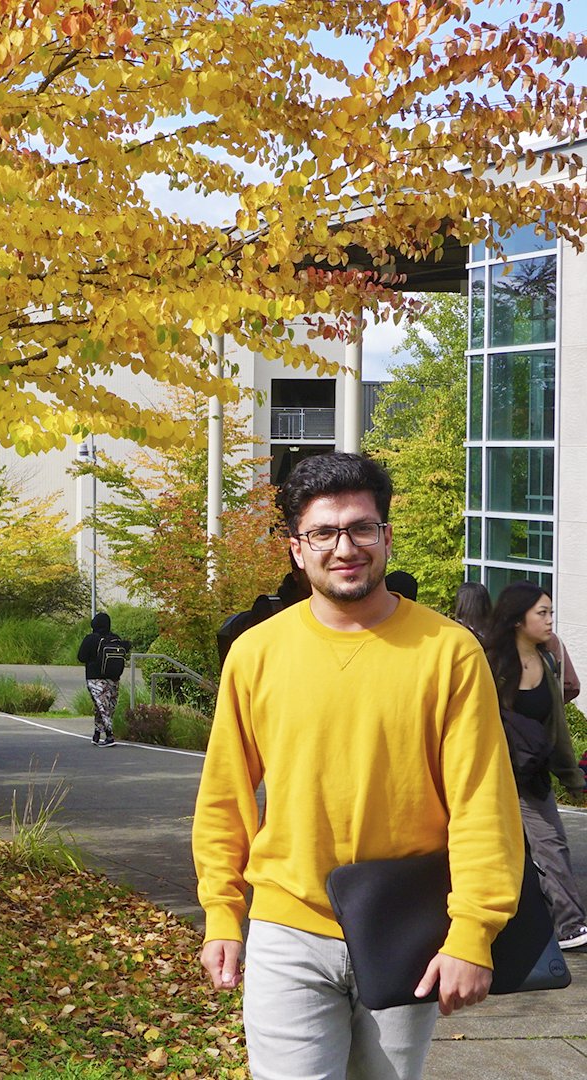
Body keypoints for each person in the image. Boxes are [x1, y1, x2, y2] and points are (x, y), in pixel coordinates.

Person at [193, 452, 523, 1080]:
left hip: (406, 925)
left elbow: (483, 803)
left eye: (361, 528)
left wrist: (473, 932)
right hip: (287, 927)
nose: (345, 547)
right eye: (323, 532)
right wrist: (220, 912)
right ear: (296, 549)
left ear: (386, 537)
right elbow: (224, 796)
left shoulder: (448, 652)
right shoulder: (256, 654)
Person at [484, 582, 587, 950]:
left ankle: (571, 926)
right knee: (493, 849)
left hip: (532, 776)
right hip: (492, 777)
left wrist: (572, 777)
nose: (549, 620)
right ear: (517, 619)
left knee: (551, 844)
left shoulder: (547, 661)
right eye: (541, 613)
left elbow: (557, 726)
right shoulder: (491, 663)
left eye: (550, 613)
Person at [76, 612, 131, 747]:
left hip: (95, 677)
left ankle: (108, 735)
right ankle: (97, 733)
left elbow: (81, 657)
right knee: (106, 706)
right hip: (113, 677)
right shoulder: (115, 639)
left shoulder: (90, 639)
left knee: (101, 706)